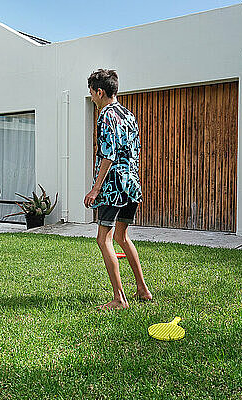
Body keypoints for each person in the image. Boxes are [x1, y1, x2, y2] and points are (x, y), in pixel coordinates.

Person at [84, 69, 152, 310]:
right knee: (122, 236)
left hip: (114, 185)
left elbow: (108, 155)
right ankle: (143, 289)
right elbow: (136, 149)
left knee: (104, 239)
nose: (91, 97)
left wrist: (95, 189)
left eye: (92, 92)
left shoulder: (105, 116)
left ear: (100, 92)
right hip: (131, 183)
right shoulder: (129, 115)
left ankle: (119, 298)